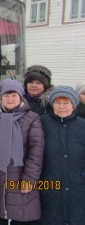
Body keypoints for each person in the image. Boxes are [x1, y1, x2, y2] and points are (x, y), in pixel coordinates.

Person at [0, 79, 44, 225]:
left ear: (21, 97)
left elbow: (36, 151)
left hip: (21, 175)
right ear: (1, 97)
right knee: (0, 209)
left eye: (14, 95)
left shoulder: (32, 118)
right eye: (6, 95)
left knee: (20, 212)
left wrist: (30, 178)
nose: (10, 99)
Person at [38, 86, 85, 225]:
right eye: (58, 103)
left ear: (73, 105)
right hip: (48, 183)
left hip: (79, 185)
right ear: (52, 104)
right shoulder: (41, 122)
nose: (62, 106)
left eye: (66, 103)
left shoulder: (83, 126)